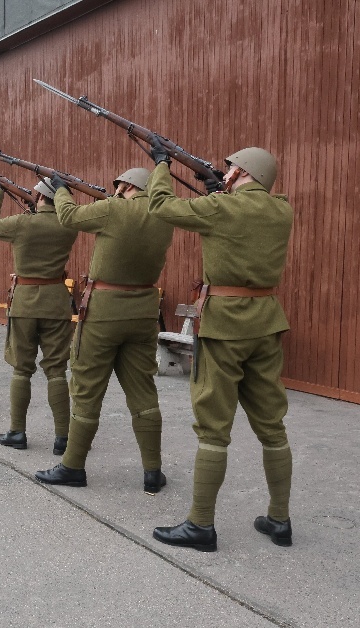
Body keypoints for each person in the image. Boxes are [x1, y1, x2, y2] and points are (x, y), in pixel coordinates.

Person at [148, 142, 294, 552]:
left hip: (225, 324)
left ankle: (200, 525)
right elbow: (242, 212)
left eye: (229, 168)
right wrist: (217, 186)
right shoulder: (281, 209)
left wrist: (161, 164)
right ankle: (280, 519)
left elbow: (161, 205)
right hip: (265, 321)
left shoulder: (221, 209)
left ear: (243, 172)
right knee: (272, 424)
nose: (224, 171)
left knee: (213, 426)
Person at [34, 168, 173, 494]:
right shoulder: (163, 216)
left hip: (104, 312)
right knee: (143, 391)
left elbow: (67, 216)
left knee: (86, 389)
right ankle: (153, 471)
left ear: (126, 186)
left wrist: (61, 187)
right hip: (143, 312)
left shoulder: (113, 209)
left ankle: (72, 466)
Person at [0, 178, 77, 453]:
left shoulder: (23, 223)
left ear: (39, 197)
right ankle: (63, 438)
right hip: (56, 302)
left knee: (22, 369)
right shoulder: (68, 226)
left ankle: (17, 432)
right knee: (57, 370)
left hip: (24, 304)